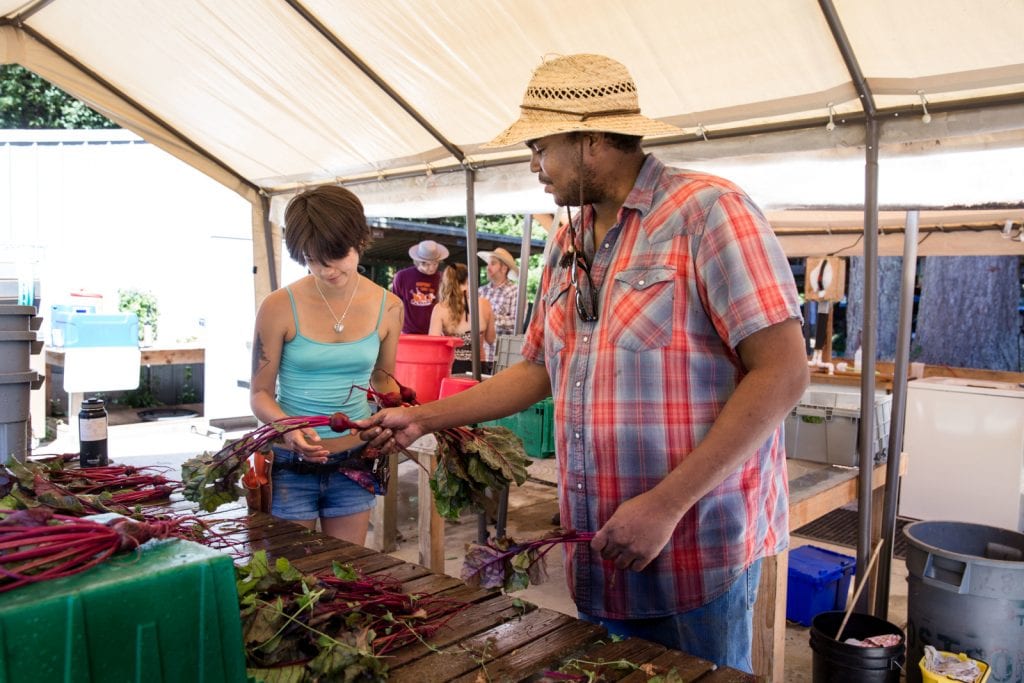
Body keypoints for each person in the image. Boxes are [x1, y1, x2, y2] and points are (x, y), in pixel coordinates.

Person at [357, 54, 808, 672]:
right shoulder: (569, 239)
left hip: (690, 541)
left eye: (541, 146)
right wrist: (426, 418)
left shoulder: (707, 212)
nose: (534, 165)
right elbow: (541, 367)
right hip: (598, 543)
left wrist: (666, 504)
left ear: (592, 139)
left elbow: (782, 372)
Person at [250, 184, 403, 544]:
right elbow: (259, 393)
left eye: (336, 255)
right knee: (289, 578)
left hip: (353, 464)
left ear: (360, 240)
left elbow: (383, 381)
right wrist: (286, 426)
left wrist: (398, 414)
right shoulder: (277, 306)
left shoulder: (390, 306)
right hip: (289, 466)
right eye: (312, 259)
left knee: (345, 576)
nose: (325, 269)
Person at [429, 263, 496, 375]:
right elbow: (490, 339)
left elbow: (433, 344)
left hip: (452, 367)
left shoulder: (440, 308)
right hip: (478, 367)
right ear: (467, 279)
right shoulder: (484, 304)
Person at [391, 239, 449, 334]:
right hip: (407, 332)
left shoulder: (443, 278)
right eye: (426, 264)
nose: (431, 268)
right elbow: (395, 305)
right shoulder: (402, 276)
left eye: (435, 264)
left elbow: (447, 306)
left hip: (434, 333)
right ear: (418, 261)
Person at [477, 247, 520, 365]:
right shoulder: (480, 291)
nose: (488, 267)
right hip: (479, 354)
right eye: (488, 263)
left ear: (504, 268)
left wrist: (490, 318)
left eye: (493, 263)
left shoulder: (515, 291)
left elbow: (516, 323)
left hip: (501, 356)